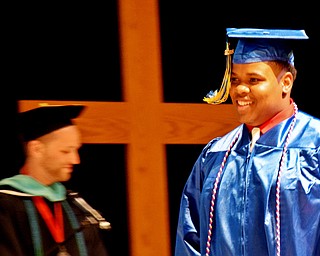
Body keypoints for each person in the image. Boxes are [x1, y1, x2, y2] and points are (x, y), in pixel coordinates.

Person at [174, 28, 320, 256]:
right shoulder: (216, 155)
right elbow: (189, 239)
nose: (240, 89)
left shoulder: (314, 145)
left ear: (286, 82)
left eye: (254, 80)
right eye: (234, 80)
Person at [0, 104, 111, 256]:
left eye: (76, 150)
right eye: (65, 151)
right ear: (36, 149)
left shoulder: (76, 207)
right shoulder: (5, 205)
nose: (76, 159)